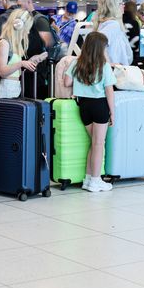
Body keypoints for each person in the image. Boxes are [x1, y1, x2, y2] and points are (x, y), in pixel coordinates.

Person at [62, 32, 115, 192]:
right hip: (100, 105)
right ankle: (96, 180)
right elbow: (109, 90)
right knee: (99, 144)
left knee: (94, 143)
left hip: (83, 106)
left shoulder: (77, 63)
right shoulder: (103, 65)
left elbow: (66, 82)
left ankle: (87, 178)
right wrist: (112, 112)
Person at [0, 9, 47, 99]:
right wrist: (21, 63)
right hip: (5, 89)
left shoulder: (14, 45)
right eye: (27, 28)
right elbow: (2, 72)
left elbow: (13, 68)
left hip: (14, 88)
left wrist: (31, 61)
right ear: (18, 26)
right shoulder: (4, 43)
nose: (28, 32)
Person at [95, 0, 133, 66]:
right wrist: (110, 65)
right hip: (116, 73)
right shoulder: (113, 25)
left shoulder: (104, 23)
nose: (124, 6)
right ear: (113, 6)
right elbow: (97, 44)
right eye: (121, 3)